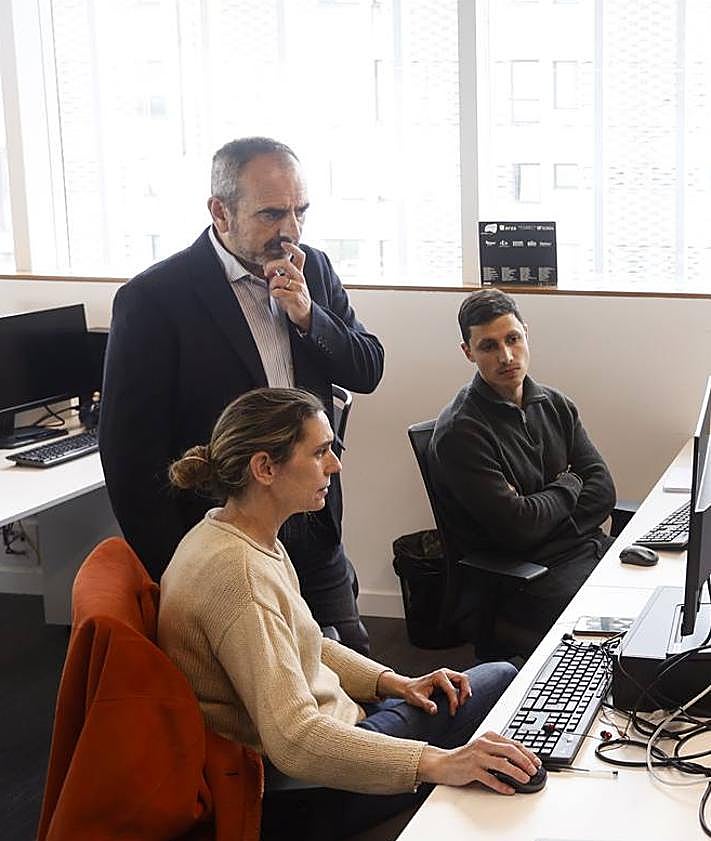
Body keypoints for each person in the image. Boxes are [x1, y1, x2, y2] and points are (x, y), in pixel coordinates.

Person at [157, 387, 539, 840]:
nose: (335, 466)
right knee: (500, 679)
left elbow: (305, 642)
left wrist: (395, 682)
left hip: (327, 744)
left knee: (488, 689)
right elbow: (296, 740)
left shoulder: (236, 534)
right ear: (264, 468)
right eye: (320, 453)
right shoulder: (240, 578)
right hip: (307, 789)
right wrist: (440, 763)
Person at [99, 136, 384, 654]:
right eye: (272, 214)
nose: (291, 231)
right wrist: (181, 569)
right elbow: (128, 458)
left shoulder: (312, 269)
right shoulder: (153, 300)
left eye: (300, 212)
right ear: (220, 212)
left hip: (313, 523)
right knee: (268, 709)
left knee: (358, 673)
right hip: (224, 544)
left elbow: (368, 367)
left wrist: (308, 316)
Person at [429, 289, 616, 653]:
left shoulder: (557, 405)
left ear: (526, 334)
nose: (506, 356)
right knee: (620, 622)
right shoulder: (460, 432)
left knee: (661, 593)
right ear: (468, 352)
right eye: (488, 346)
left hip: (583, 553)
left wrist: (542, 511)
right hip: (519, 581)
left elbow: (604, 490)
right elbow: (519, 529)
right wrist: (570, 483)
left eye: (513, 339)